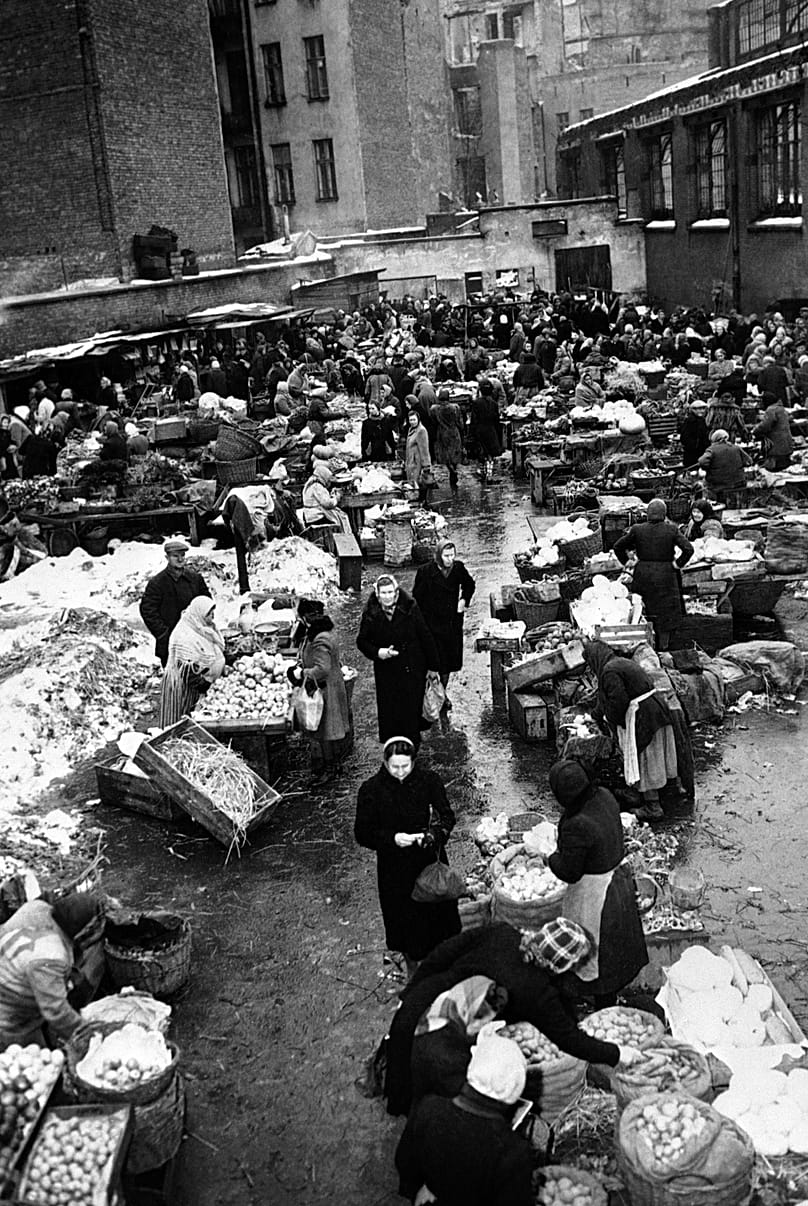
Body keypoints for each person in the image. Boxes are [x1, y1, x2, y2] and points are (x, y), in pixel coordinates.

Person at [385, 918, 641, 1117]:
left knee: (403, 1074)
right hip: (441, 1037)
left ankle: (403, 1105)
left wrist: (411, 992)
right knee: (432, 1096)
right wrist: (616, 1054)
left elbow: (443, 953)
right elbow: (570, 1040)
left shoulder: (502, 933)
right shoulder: (536, 991)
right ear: (563, 966)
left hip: (421, 1002)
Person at [355, 736, 461, 977]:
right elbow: (362, 833)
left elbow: (447, 817)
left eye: (406, 766)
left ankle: (442, 967)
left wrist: (434, 835)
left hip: (427, 861)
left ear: (414, 762)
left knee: (437, 919)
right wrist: (392, 839)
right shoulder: (371, 790)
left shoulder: (428, 781)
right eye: (394, 767)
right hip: (395, 869)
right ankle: (413, 973)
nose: (400, 772)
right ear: (385, 763)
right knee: (405, 923)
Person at [546, 759, 648, 1005]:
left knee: (596, 953)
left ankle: (599, 1007)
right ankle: (608, 999)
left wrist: (549, 857)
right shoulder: (603, 795)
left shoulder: (577, 824)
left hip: (595, 895)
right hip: (618, 882)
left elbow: (569, 872)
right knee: (614, 950)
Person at [395, 1037, 534, 1206]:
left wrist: (424, 1189)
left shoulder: (428, 1108)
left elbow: (404, 1161)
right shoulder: (513, 1152)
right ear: (514, 1087)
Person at [584, 640, 684, 821]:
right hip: (655, 708)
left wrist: (612, 722)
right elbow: (605, 698)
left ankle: (653, 806)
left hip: (645, 715)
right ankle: (649, 791)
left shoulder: (609, 671)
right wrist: (596, 714)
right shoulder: (619, 663)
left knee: (645, 757)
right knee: (656, 754)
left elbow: (618, 701)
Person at [0, 892, 103, 1047]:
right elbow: (56, 1012)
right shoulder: (51, 954)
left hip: (10, 974)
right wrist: (90, 1037)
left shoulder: (39, 910)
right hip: (11, 1018)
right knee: (32, 1061)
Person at [356, 575, 440, 748]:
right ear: (378, 595)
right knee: (391, 711)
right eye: (383, 593)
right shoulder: (371, 612)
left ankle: (412, 747)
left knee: (411, 710)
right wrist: (378, 652)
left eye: (390, 592)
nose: (387, 596)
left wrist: (433, 666)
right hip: (387, 670)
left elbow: (425, 635)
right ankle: (393, 746)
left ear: (395, 593)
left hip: (412, 666)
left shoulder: (410, 607)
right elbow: (362, 641)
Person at [409, 976, 508, 1106]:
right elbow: (465, 1095)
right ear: (466, 1012)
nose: (484, 1026)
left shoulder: (445, 1006)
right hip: (439, 1102)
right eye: (480, 1020)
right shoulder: (448, 1055)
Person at [612, 499, 693, 650]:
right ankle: (664, 646)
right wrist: (677, 564)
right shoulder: (672, 530)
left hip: (643, 573)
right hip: (666, 575)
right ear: (664, 514)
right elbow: (688, 549)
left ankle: (644, 645)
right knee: (665, 612)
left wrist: (628, 562)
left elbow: (618, 546)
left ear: (648, 514)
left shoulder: (638, 529)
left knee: (643, 609)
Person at [288, 598, 350, 782]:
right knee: (328, 728)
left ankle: (329, 769)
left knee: (325, 729)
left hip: (326, 688)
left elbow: (321, 669)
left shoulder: (320, 638)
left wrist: (301, 673)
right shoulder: (324, 631)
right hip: (332, 683)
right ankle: (334, 764)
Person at [412, 540, 475, 709]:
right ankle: (430, 694)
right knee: (433, 662)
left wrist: (463, 600)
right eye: (446, 556)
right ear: (438, 555)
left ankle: (442, 694)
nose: (450, 559)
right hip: (431, 624)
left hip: (451, 624)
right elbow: (416, 599)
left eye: (452, 555)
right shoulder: (425, 572)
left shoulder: (458, 569)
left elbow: (470, 584)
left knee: (447, 662)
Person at [139, 538, 211, 666]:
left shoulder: (195, 578)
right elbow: (147, 610)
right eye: (175, 556)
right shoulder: (157, 583)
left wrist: (204, 623)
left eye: (182, 555)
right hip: (171, 642)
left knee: (198, 676)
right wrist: (163, 633)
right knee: (174, 680)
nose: (180, 559)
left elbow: (207, 602)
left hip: (196, 638)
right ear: (167, 557)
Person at [159, 596, 225, 726]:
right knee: (180, 720)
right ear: (199, 613)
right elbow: (186, 673)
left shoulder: (203, 627)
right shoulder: (185, 635)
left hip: (198, 681)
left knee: (193, 720)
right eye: (209, 613)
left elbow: (215, 647)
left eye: (213, 611)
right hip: (184, 685)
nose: (213, 616)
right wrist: (206, 686)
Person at [697, 429, 750, 503]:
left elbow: (702, 462)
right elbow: (749, 461)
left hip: (718, 485)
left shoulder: (711, 450)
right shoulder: (736, 448)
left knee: (703, 486)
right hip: (738, 483)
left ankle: (711, 504)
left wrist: (709, 468)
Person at [430, 389, 464, 494]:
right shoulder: (455, 408)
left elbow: (433, 420)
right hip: (454, 432)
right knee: (454, 453)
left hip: (442, 433)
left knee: (445, 455)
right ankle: (454, 470)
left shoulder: (435, 409)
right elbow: (460, 422)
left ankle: (451, 470)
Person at [470, 379, 502, 481]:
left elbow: (474, 419)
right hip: (491, 430)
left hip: (480, 430)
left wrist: (471, 433)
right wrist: (498, 432)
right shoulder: (494, 404)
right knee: (490, 453)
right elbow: (496, 420)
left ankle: (483, 472)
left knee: (481, 452)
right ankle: (489, 474)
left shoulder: (476, 403)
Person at [755, 391, 794, 470]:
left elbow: (765, 425)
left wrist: (755, 431)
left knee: (776, 468)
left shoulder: (771, 410)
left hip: (776, 445)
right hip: (786, 443)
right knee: (785, 467)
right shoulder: (781, 408)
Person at [405, 410, 432, 505]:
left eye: (414, 420)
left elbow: (424, 449)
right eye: (410, 420)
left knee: (419, 485)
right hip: (411, 462)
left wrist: (426, 466)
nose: (412, 422)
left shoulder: (421, 431)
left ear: (418, 419)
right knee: (414, 485)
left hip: (417, 463)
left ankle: (422, 504)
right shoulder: (411, 429)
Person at [677, 399, 710, 466]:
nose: (701, 411)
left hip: (701, 450)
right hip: (692, 452)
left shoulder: (703, 421)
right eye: (698, 409)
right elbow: (684, 437)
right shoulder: (690, 421)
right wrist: (694, 445)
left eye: (703, 409)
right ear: (693, 410)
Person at [0, 415, 19, 480]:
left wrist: (14, 445)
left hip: (8, 453)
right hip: (3, 453)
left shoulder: (8, 432)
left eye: (7, 422)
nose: (6, 424)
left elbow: (10, 440)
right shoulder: (2, 432)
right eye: (4, 422)